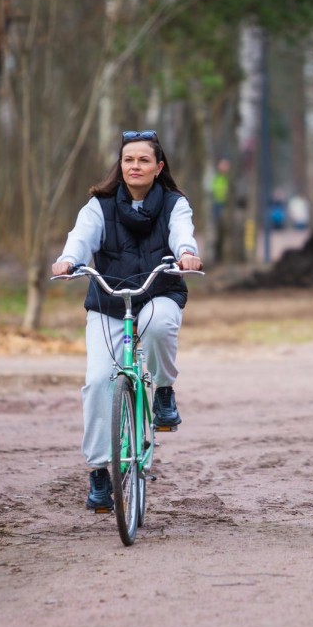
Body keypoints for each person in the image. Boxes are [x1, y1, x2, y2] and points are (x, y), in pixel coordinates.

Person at [51, 129, 203, 512]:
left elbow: (182, 232)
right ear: (120, 166)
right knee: (99, 381)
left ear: (158, 167)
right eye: (128, 160)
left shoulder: (174, 204)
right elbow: (81, 237)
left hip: (157, 292)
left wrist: (186, 252)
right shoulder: (98, 206)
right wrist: (69, 259)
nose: (135, 166)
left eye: (143, 160)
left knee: (158, 326)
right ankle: (101, 472)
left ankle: (164, 391)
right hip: (110, 300)